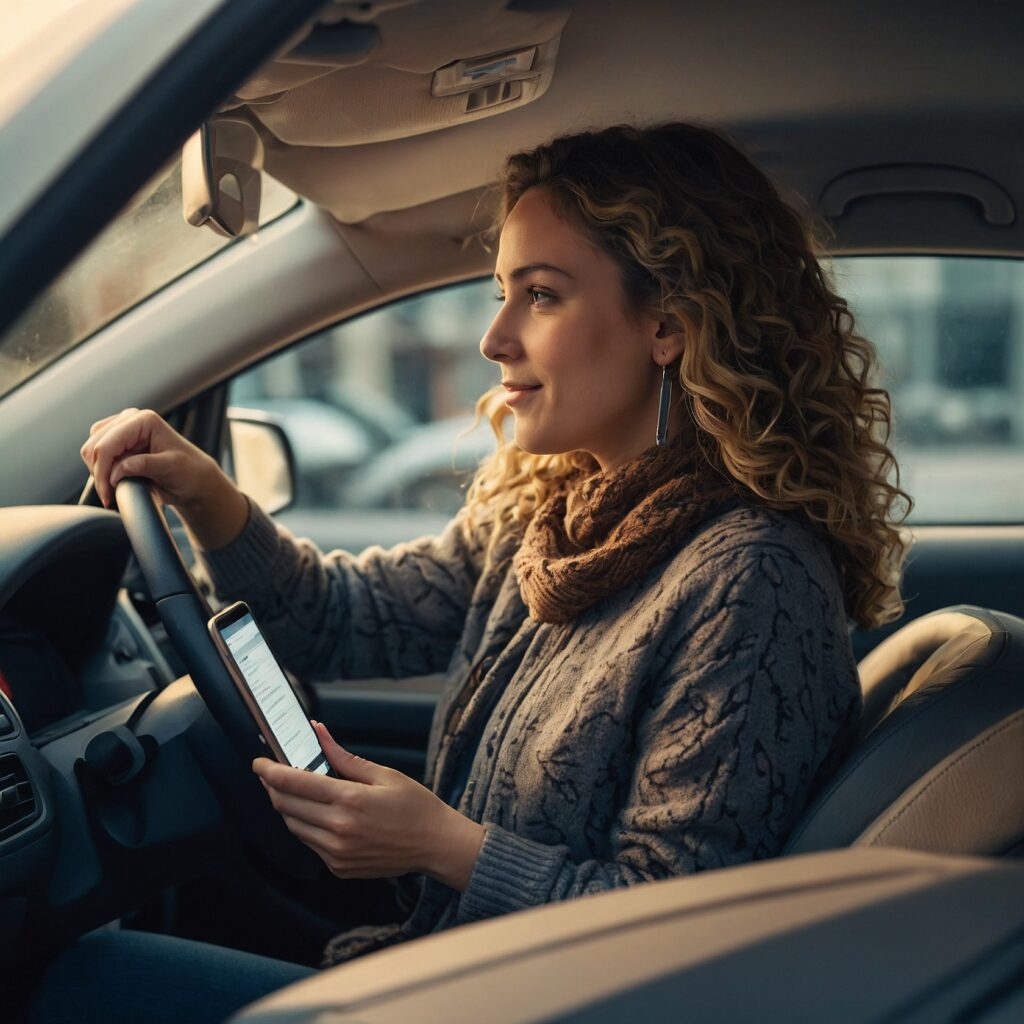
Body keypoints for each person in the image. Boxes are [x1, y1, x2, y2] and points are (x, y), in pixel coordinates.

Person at [37, 121, 909, 1022]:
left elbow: (680, 931)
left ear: (670, 326)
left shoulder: (753, 583)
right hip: (445, 978)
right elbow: (337, 617)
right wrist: (206, 491)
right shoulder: (550, 509)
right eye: (502, 292)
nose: (493, 338)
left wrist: (442, 845)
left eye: (541, 295)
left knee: (73, 984)